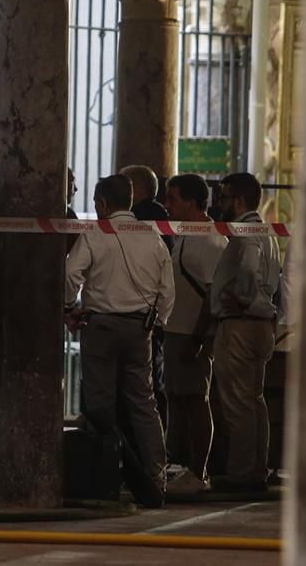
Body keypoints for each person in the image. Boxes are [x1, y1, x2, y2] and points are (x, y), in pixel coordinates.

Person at [64, 175, 175, 499]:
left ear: (101, 204)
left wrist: (68, 306)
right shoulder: (151, 234)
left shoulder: (96, 233)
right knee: (144, 404)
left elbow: (71, 273)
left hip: (100, 326)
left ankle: (108, 476)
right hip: (140, 329)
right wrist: (158, 321)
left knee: (100, 406)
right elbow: (167, 288)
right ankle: (155, 478)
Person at [209, 172, 281, 493]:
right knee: (254, 400)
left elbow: (250, 268)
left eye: (224, 197)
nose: (220, 204)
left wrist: (244, 297)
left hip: (241, 324)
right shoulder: (267, 232)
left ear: (238, 200)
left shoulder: (245, 233)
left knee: (237, 402)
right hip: (262, 324)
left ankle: (241, 474)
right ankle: (255, 469)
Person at [160, 174, 228, 493]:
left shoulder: (212, 239)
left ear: (191, 201)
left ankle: (198, 472)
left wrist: (198, 339)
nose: (167, 205)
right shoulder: (184, 234)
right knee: (177, 398)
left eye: (172, 199)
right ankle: (179, 464)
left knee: (195, 400)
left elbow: (214, 295)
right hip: (176, 329)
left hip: (191, 333)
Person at [119, 165, 173, 431]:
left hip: (137, 318)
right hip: (152, 317)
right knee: (150, 387)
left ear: (137, 190)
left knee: (140, 391)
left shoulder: (138, 222)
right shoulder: (164, 221)